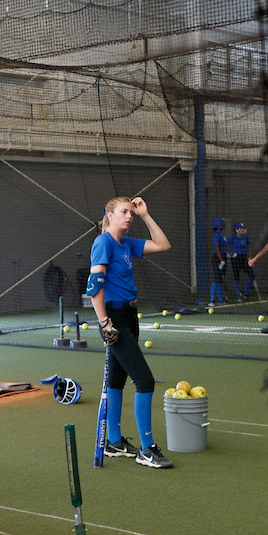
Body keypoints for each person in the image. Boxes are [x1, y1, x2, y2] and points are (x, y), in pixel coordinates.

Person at [89, 195, 174, 469]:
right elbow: (95, 288)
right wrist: (104, 323)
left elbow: (163, 244)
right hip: (114, 319)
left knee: (116, 380)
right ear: (109, 215)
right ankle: (146, 449)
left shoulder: (126, 244)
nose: (129, 216)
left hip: (129, 315)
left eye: (131, 213)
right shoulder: (103, 242)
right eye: (124, 212)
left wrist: (146, 215)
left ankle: (114, 442)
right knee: (145, 381)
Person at [228, 221, 259, 301]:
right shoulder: (232, 238)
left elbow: (248, 247)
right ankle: (238, 295)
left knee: (251, 274)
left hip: (244, 258)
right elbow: (224, 246)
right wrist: (229, 255)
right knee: (236, 276)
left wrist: (249, 257)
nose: (242, 230)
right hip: (235, 258)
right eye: (240, 228)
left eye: (242, 228)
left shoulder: (245, 237)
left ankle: (245, 292)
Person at [210, 217, 230, 306]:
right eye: (222, 223)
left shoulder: (222, 235)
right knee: (217, 278)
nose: (224, 225)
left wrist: (227, 255)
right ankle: (212, 300)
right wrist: (221, 260)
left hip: (223, 257)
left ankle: (221, 299)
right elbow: (217, 248)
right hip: (217, 258)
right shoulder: (217, 235)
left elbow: (223, 248)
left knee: (221, 279)